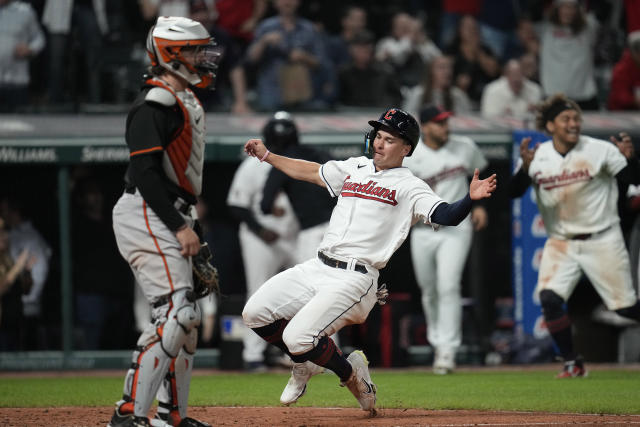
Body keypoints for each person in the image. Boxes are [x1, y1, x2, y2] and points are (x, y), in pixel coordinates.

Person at [242, 108, 496, 413]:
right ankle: (310, 363)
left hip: (355, 278)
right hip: (318, 265)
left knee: (297, 338)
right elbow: (309, 171)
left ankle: (346, 373)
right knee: (254, 313)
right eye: (378, 135)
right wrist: (268, 155)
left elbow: (446, 215)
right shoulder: (356, 167)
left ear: (407, 149)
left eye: (389, 139)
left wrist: (469, 199)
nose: (379, 142)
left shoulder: (410, 185)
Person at [108, 16, 220, 427]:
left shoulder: (183, 98)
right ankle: (127, 414)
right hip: (146, 211)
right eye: (194, 50)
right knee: (177, 314)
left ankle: (172, 417)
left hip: (166, 211)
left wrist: (187, 222)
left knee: (186, 323)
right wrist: (178, 225)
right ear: (172, 55)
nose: (204, 58)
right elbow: (145, 174)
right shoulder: (155, 103)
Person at [508, 93, 640, 378]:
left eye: (577, 119)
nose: (574, 123)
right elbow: (513, 192)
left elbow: (633, 180)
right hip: (561, 242)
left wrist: (630, 160)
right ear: (551, 125)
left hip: (602, 238)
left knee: (627, 309)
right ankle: (572, 362)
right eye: (566, 119)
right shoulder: (538, 155)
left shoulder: (600, 149)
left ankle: (573, 361)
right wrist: (526, 169)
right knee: (550, 299)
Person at [403, 104, 489, 375]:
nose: (445, 127)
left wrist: (480, 206)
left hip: (456, 228)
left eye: (446, 122)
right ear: (425, 127)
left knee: (448, 286)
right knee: (429, 290)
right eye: (439, 123)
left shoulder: (464, 146)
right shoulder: (411, 156)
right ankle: (437, 342)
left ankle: (447, 350)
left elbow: (482, 174)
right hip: (422, 231)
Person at [227, 112, 299, 371]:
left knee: (303, 294)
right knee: (258, 294)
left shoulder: (297, 162)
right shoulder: (251, 165)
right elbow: (237, 205)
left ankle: (295, 352)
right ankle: (253, 355)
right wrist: (260, 229)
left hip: (294, 237)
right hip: (262, 238)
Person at [539, 0, 600, 110]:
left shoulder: (588, 28)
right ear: (557, 9)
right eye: (564, 7)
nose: (568, 11)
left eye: (572, 7)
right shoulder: (545, 29)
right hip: (553, 94)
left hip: (584, 95)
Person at [0, 0, 45, 112]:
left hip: (16, 82)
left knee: (19, 124)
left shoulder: (25, 11)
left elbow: (39, 39)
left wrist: (30, 49)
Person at [0, 219, 35, 351]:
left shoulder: (8, 259)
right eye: (0, 233)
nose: (4, 236)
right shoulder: (13, 264)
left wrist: (26, 271)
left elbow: (26, 290)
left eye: (4, 232)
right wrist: (17, 268)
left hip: (14, 325)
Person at [607, 30, 640, 111]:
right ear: (635, 53)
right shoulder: (621, 69)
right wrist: (634, 100)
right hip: (621, 112)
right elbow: (620, 97)